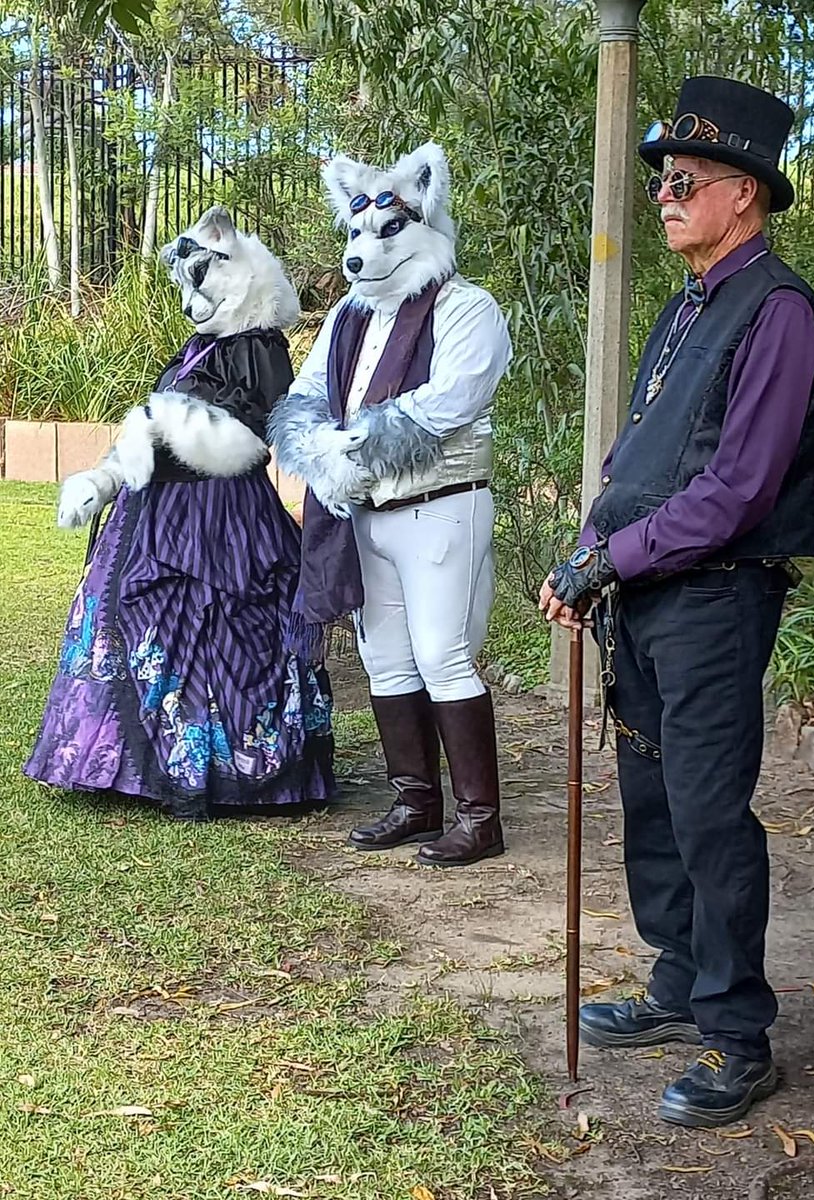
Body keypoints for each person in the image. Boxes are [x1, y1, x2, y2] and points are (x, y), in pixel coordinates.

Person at [540, 76, 814, 1128]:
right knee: (654, 805)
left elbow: (739, 488)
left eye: (683, 179)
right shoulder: (689, 302)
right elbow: (639, 458)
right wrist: (587, 552)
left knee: (710, 813)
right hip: (648, 596)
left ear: (744, 194)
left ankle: (738, 1034)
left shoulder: (779, 310)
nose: (663, 195)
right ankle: (677, 982)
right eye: (661, 179)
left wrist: (614, 557)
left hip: (714, 597)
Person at [24, 207, 336, 819]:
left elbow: (256, 428)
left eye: (206, 283)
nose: (194, 301)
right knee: (129, 615)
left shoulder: (259, 346)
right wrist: (110, 474)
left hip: (222, 513)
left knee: (216, 618)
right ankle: (126, 760)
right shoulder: (197, 348)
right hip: (156, 507)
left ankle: (218, 765)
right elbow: (154, 423)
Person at [270, 141, 512, 868]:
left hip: (441, 505)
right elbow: (307, 394)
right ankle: (415, 800)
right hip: (364, 512)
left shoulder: (467, 308)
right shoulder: (350, 318)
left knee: (443, 653)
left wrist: (355, 447)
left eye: (388, 232)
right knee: (385, 658)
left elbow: (451, 400)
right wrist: (319, 451)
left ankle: (480, 816)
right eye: (357, 232)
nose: (364, 250)